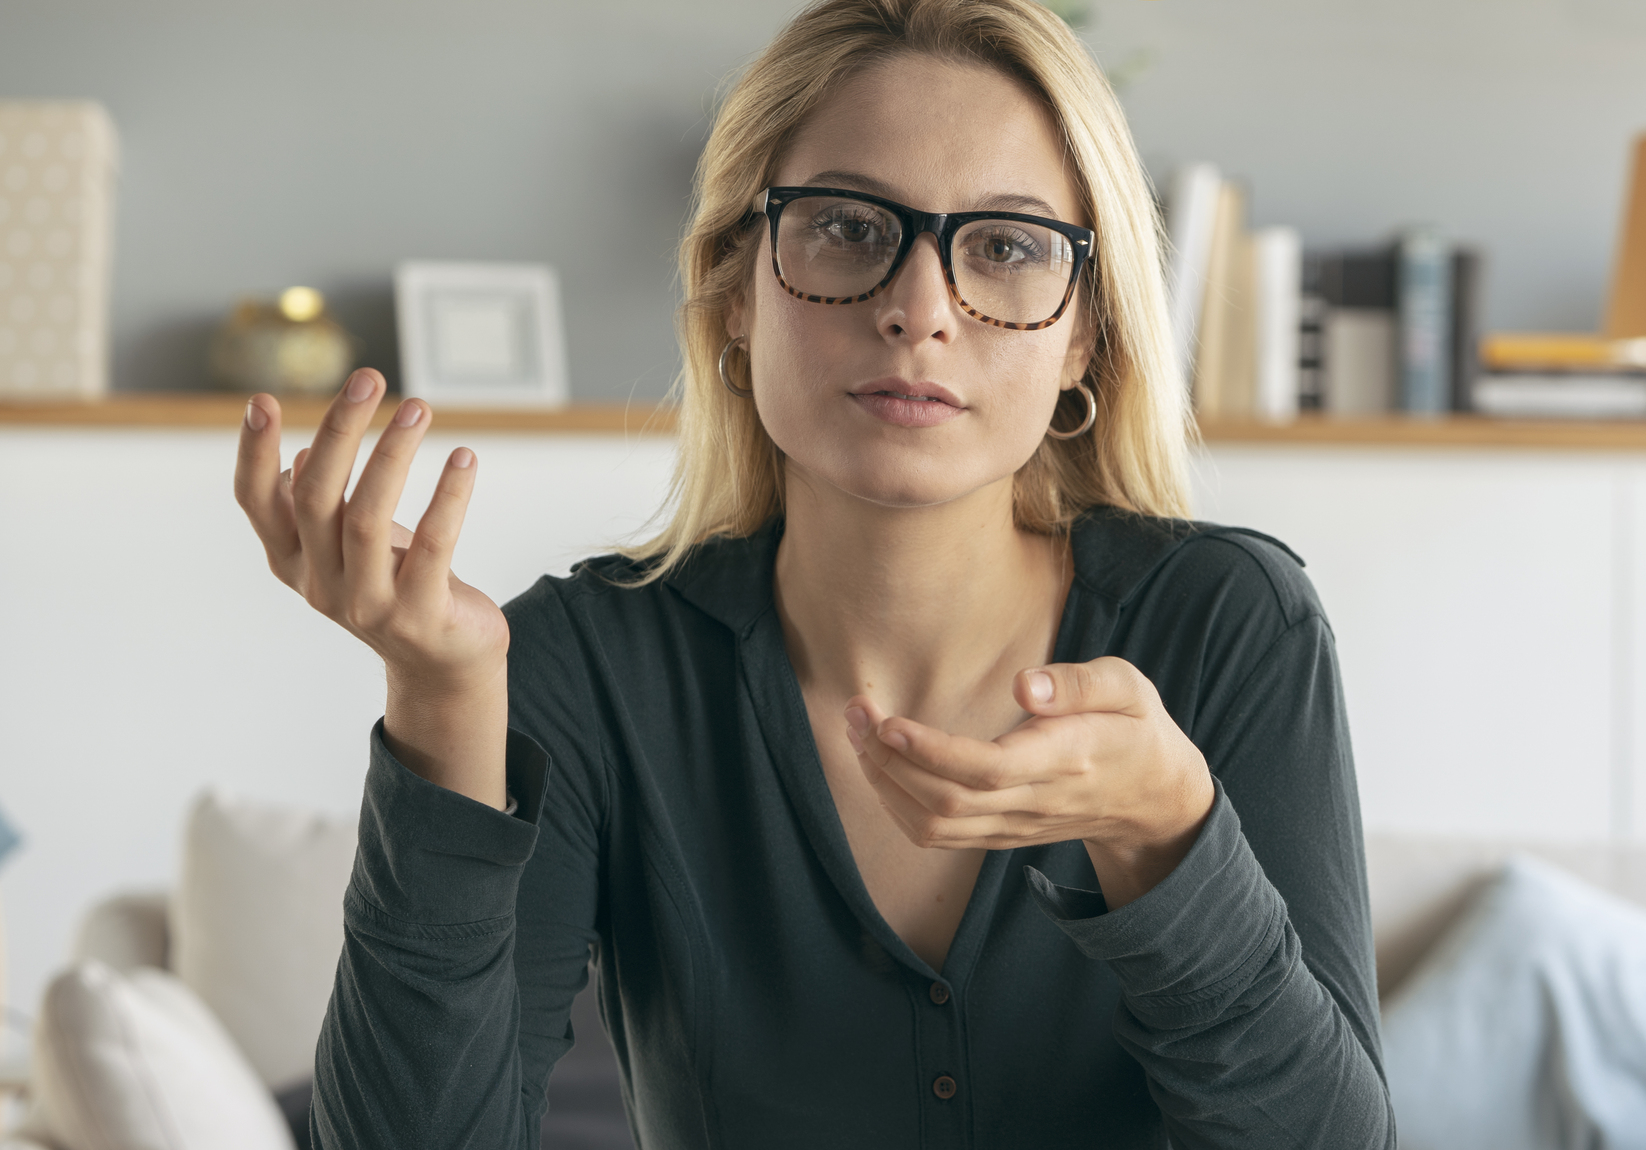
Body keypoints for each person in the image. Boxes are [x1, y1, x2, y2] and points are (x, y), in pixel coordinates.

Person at [232, 0, 1393, 1145]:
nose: (918, 309)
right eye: (845, 226)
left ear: (1081, 331)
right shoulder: (582, 668)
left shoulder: (1233, 626)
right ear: (736, 289)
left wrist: (1168, 838)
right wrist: (439, 707)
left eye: (1003, 246)